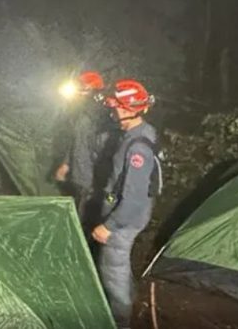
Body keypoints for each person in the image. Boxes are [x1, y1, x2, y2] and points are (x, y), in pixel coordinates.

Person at [92, 79, 160, 329]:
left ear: (130, 109)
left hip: (124, 219)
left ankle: (119, 322)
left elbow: (133, 198)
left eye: (118, 107)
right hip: (128, 214)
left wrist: (109, 226)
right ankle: (129, 304)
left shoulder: (138, 147)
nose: (114, 111)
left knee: (113, 274)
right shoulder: (137, 133)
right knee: (120, 268)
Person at [54, 71, 116, 230]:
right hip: (79, 176)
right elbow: (76, 141)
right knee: (74, 214)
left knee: (81, 223)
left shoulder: (100, 119)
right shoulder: (82, 115)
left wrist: (97, 182)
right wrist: (66, 164)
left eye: (81, 90)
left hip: (90, 182)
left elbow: (102, 151)